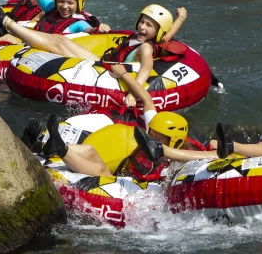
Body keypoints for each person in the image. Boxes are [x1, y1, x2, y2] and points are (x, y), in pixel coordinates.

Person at [37, 63, 214, 181]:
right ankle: (53, 145)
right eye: (151, 134)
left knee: (101, 172)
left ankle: (62, 149)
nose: (152, 138)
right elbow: (147, 99)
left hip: (134, 185)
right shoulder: (157, 126)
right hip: (125, 164)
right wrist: (123, 74)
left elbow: (204, 158)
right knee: (90, 150)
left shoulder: (183, 160)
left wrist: (161, 150)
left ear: (174, 141)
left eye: (158, 138)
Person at [0, 1, 187, 108]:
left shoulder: (146, 48)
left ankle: (7, 24)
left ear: (157, 31)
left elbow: (146, 68)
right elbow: (167, 33)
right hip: (102, 62)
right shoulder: (141, 37)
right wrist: (180, 18)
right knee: (61, 40)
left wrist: (132, 91)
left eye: (149, 25)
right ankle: (8, 28)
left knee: (59, 46)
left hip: (102, 70)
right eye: (142, 22)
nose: (143, 27)